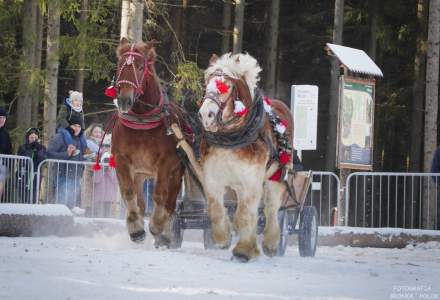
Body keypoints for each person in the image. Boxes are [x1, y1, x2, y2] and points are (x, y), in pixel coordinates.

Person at [47, 114, 86, 210]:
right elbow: (49, 154)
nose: (77, 128)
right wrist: (66, 154)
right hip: (62, 175)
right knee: (61, 204)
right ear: (69, 126)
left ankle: (67, 224)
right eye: (74, 125)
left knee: (71, 205)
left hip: (76, 177)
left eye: (79, 126)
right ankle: (57, 222)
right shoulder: (60, 137)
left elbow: (80, 157)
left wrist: (88, 158)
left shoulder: (81, 139)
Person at [17, 127, 46, 203]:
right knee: (23, 195)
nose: (33, 139)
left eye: (35, 138)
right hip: (24, 175)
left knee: (34, 195)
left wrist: (38, 149)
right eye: (31, 137)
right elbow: (21, 157)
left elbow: (43, 159)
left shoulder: (41, 148)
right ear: (27, 138)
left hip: (36, 174)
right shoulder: (22, 147)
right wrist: (30, 148)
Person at [56, 90, 89, 157]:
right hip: (63, 127)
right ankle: (71, 148)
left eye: (80, 101)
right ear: (72, 101)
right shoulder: (65, 107)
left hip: (75, 127)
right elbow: (61, 118)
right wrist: (68, 127)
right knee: (66, 133)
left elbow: (81, 120)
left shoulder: (80, 109)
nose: (78, 102)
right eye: (76, 100)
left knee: (82, 135)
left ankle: (85, 150)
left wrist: (82, 129)